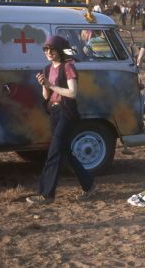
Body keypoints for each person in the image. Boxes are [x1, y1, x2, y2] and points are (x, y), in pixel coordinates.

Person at [26, 35, 96, 204]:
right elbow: (47, 96)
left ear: (59, 50)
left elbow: (72, 93)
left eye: (52, 49)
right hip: (54, 112)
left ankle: (46, 194)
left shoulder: (68, 66)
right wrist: (44, 85)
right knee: (65, 153)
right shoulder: (47, 69)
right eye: (46, 49)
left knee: (54, 151)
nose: (48, 52)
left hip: (67, 113)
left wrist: (51, 85)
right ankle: (90, 185)